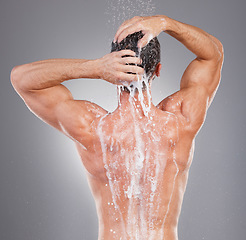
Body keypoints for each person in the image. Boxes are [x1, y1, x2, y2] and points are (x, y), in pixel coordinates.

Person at [11, 15, 224, 240]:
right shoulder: (180, 119)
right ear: (159, 69)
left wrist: (93, 68)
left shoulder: (92, 127)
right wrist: (165, 23)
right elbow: (214, 54)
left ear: (113, 72)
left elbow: (21, 79)